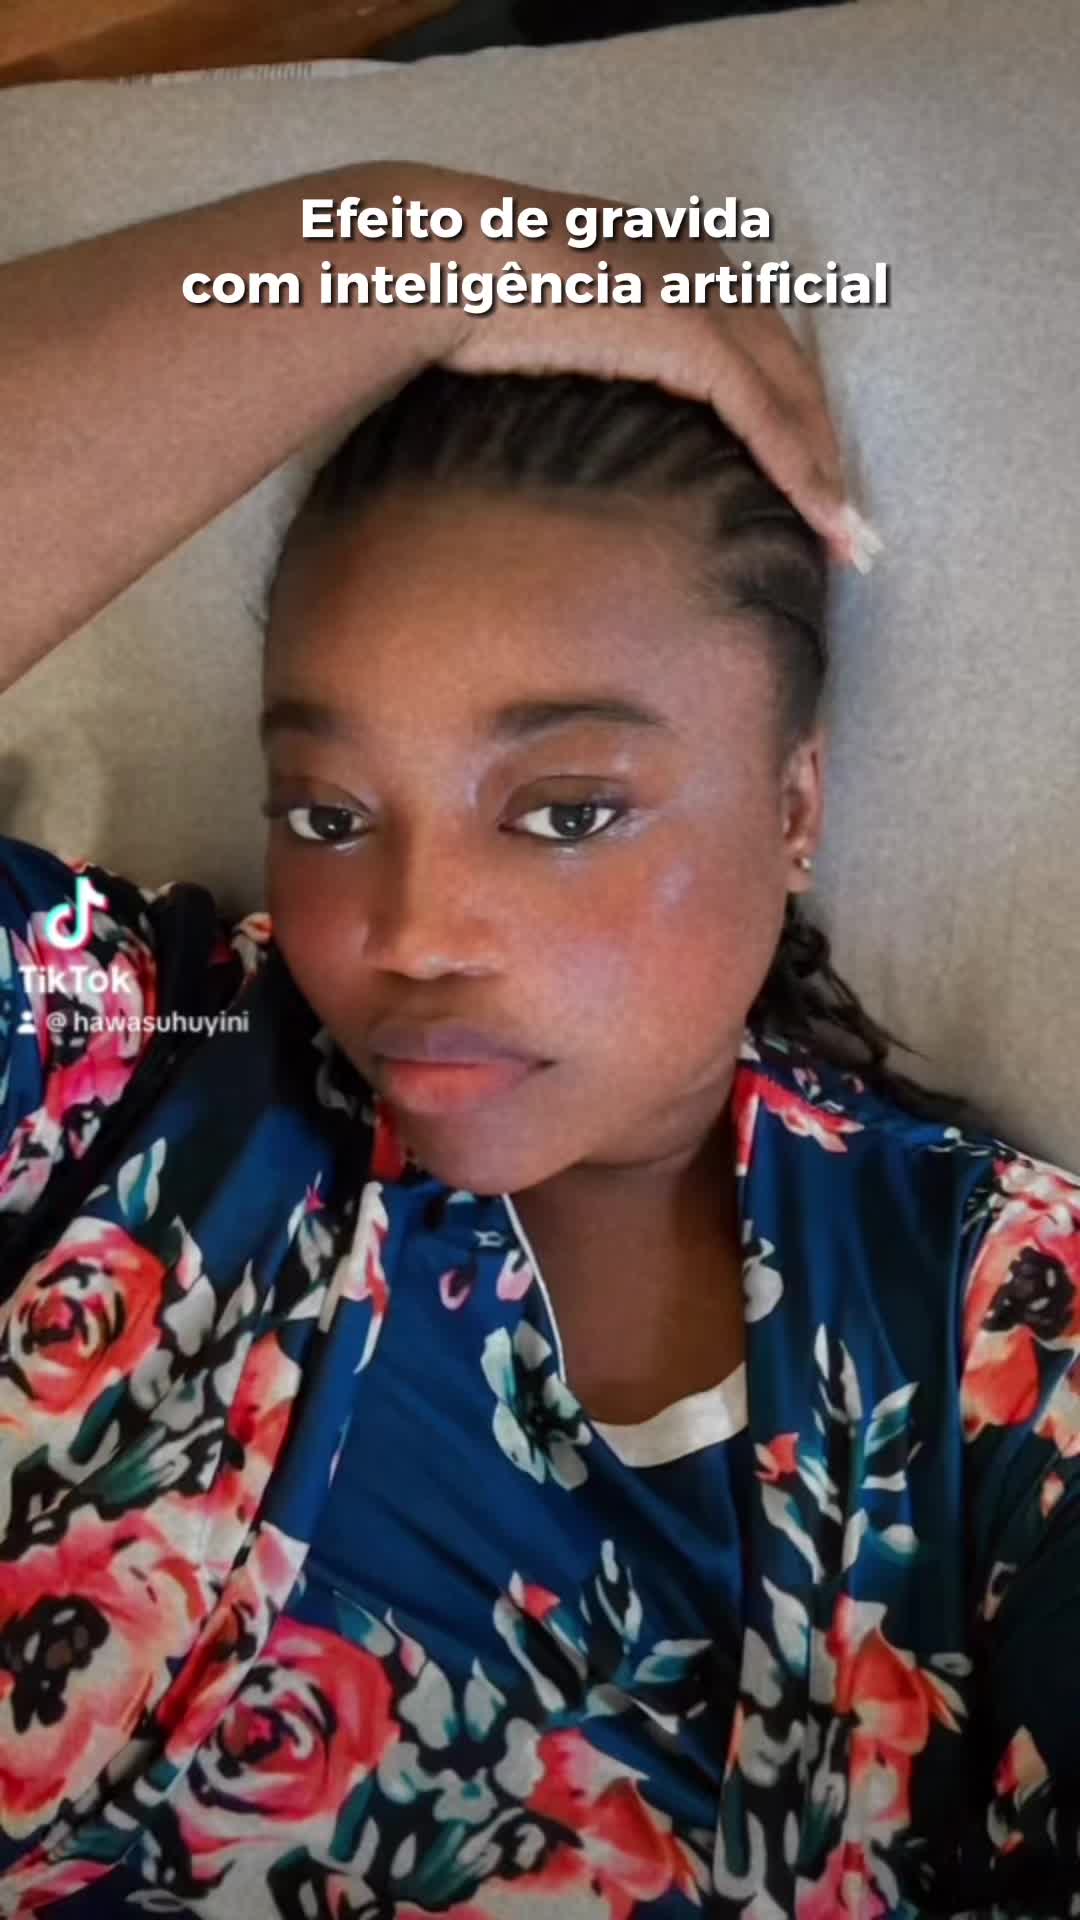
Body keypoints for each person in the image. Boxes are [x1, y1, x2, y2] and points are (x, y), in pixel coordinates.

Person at [0, 156, 1076, 1920]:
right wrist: (420, 237)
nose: (412, 932)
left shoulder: (1004, 1346)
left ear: (794, 806)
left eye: (567, 811)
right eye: (328, 812)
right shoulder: (140, 1059)